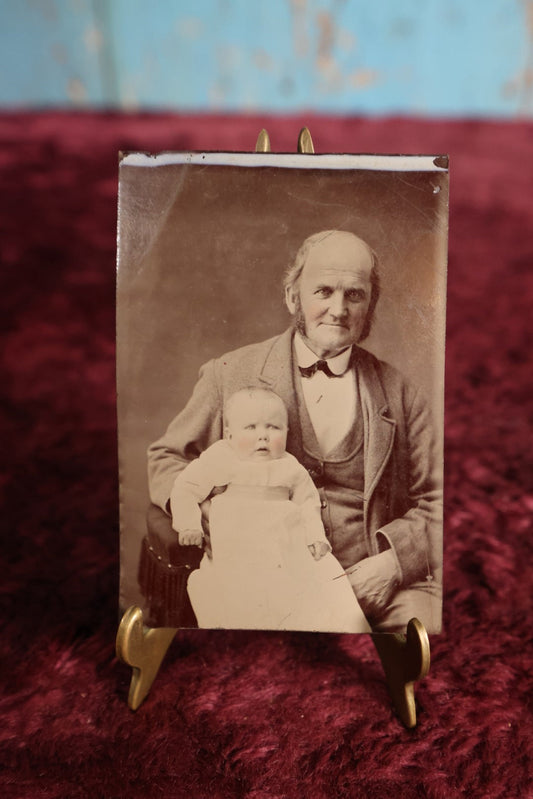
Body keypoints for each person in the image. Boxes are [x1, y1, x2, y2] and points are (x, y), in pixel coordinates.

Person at [148, 229, 442, 633]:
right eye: (323, 291)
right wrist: (202, 511)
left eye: (354, 295)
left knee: (425, 636)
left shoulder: (403, 393)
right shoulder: (229, 374)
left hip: (372, 582)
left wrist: (392, 564)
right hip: (261, 580)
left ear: (370, 304)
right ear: (293, 297)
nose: (338, 309)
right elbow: (167, 458)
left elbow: (441, 501)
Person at [170, 386, 370, 632]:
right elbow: (186, 487)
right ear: (229, 434)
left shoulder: (289, 466)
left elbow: (308, 503)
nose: (262, 436)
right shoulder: (223, 456)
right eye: (251, 427)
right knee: (240, 598)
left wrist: (315, 537)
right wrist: (189, 524)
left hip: (286, 548)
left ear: (287, 432)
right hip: (239, 546)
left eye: (273, 427)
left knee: (317, 585)